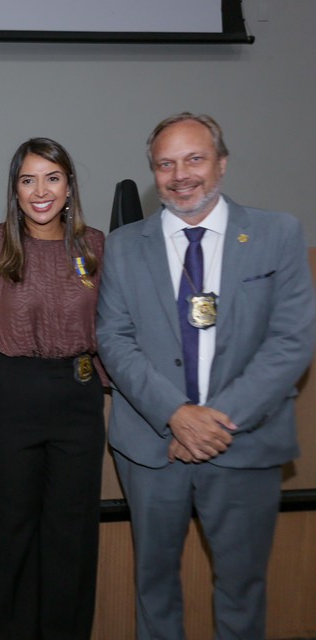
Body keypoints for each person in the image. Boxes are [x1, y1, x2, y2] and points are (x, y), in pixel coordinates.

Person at [96, 113, 316, 640]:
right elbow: (114, 339)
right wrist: (175, 416)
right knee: (154, 586)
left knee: (242, 590)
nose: (180, 175)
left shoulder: (276, 234)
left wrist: (211, 423)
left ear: (221, 162)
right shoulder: (125, 245)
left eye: (194, 159)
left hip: (244, 441)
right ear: (153, 173)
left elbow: (291, 341)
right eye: (165, 164)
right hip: (153, 447)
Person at [0, 138, 105, 639]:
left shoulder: (94, 244)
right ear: (15, 189)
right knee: (9, 535)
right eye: (28, 180)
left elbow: (111, 327)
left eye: (52, 177)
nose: (40, 190)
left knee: (71, 537)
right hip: (14, 395)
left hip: (78, 396)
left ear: (69, 187)